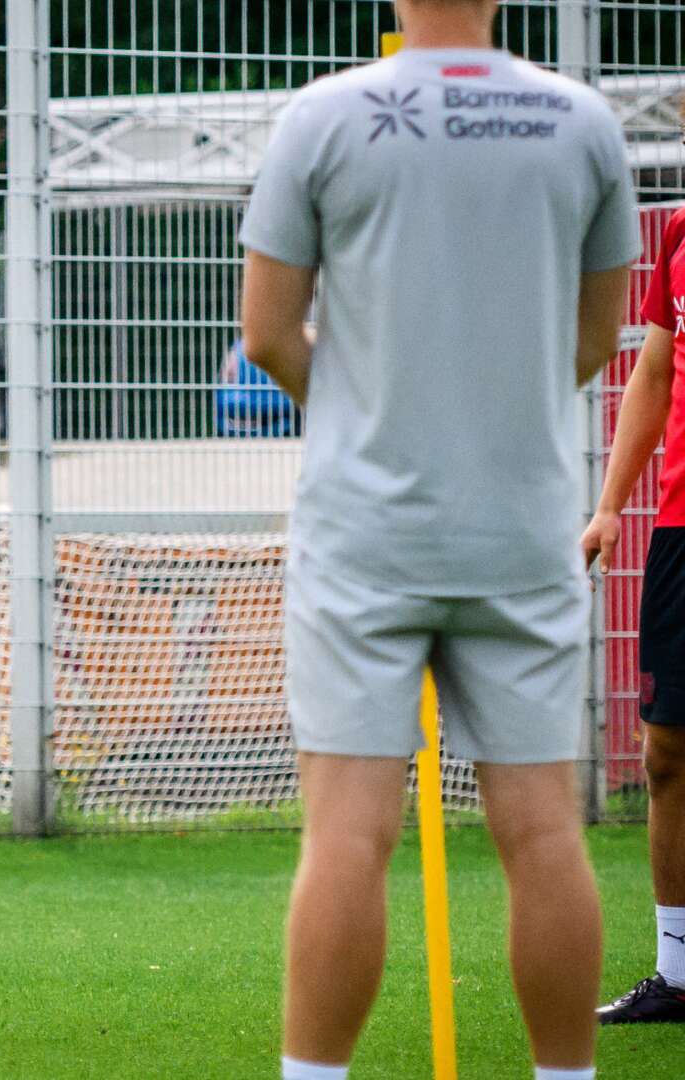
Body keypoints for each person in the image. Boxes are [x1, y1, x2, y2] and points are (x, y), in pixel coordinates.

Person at [237, 2, 640, 1077]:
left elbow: (266, 334)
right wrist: (497, 418)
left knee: (347, 833)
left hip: (366, 530)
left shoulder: (323, 118)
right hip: (521, 527)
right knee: (543, 831)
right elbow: (597, 336)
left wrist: (371, 415)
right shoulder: (582, 122)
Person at [582, 120, 685, 1025]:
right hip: (682, 532)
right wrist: (611, 504)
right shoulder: (682, 233)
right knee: (667, 753)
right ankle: (680, 973)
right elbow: (653, 373)